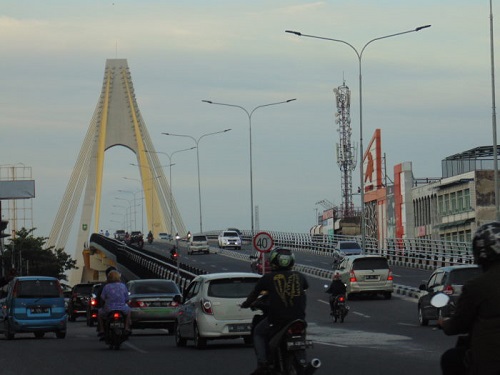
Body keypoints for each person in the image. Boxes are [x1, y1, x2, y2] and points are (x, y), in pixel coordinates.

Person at [438, 222, 500, 375]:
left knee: (450, 359)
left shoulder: (477, 286)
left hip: (490, 364)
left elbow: (458, 325)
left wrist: (444, 323)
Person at [241, 247, 309, 375]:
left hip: (277, 320)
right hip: (299, 319)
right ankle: (302, 362)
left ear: (273, 261)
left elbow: (253, 295)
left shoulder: (268, 278)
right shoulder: (300, 276)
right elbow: (304, 287)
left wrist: (245, 304)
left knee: (259, 332)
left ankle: (263, 363)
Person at [97, 270, 131, 338]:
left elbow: (102, 299)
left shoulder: (106, 287)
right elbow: (127, 299)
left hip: (109, 309)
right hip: (122, 308)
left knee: (99, 313)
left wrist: (101, 304)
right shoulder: (123, 286)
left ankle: (102, 330)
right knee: (129, 312)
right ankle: (127, 327)